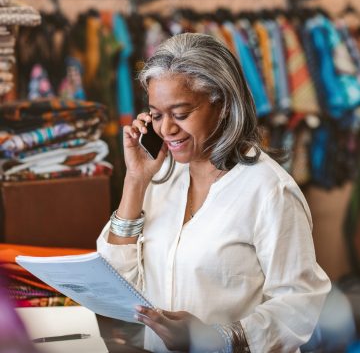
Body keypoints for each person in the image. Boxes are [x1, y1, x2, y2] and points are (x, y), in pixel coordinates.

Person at [97, 32, 331, 353]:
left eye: (180, 114)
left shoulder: (269, 191)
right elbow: (119, 281)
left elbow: (300, 304)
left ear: (222, 104)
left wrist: (217, 337)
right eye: (156, 115)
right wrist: (135, 181)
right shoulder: (162, 177)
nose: (166, 129)